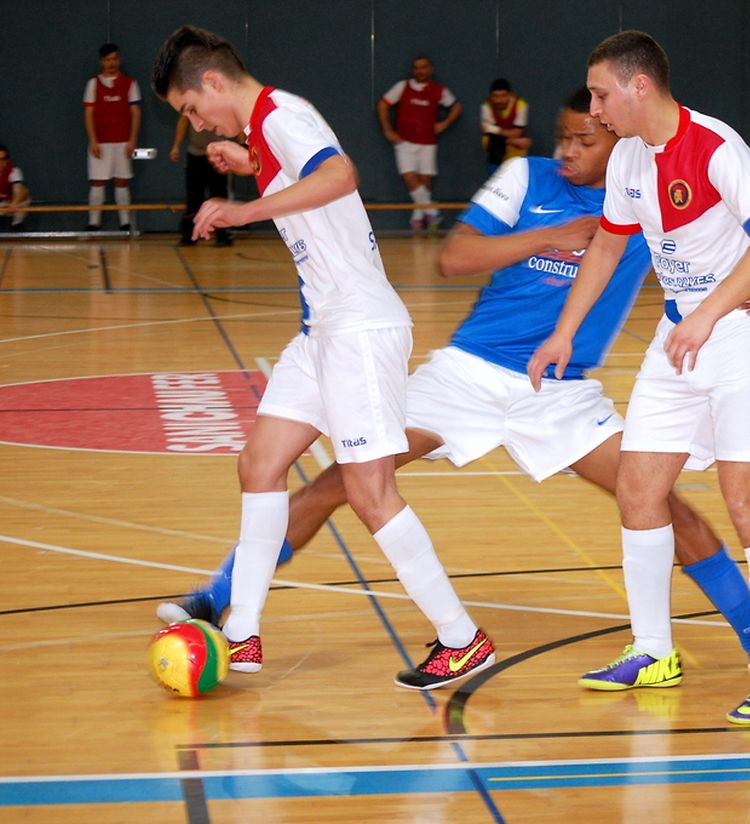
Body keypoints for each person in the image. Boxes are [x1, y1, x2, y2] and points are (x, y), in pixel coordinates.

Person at [156, 87, 750, 688]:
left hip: (560, 393)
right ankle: (218, 598)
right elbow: (454, 258)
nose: (568, 151)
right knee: (344, 480)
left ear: (619, 138)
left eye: (584, 140)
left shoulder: (644, 188)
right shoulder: (525, 177)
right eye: (562, 137)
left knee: (658, 503)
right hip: (464, 376)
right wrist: (549, 234)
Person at [150, 25, 495, 689]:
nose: (195, 123)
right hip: (322, 332)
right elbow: (302, 176)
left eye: (192, 109)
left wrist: (244, 210)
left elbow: (339, 175)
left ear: (213, 82)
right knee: (260, 464)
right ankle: (243, 631)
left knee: (369, 491)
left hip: (359, 329)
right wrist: (248, 163)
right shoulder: (266, 130)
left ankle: (461, 639)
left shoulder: (281, 113)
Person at [527, 32, 750, 726]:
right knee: (638, 489)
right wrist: (564, 331)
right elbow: (608, 246)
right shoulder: (628, 156)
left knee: (746, 504)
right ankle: (654, 650)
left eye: (601, 95)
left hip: (738, 338)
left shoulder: (715, 145)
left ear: (639, 86)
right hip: (679, 334)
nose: (594, 110)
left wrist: (709, 314)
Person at [377, 56, 461, 231]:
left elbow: (456, 106)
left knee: (425, 181)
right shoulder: (402, 87)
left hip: (428, 143)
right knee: (409, 178)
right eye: (416, 68)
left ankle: (418, 217)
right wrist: (388, 130)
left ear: (430, 69)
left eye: (423, 67)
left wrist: (445, 123)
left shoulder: (438, 90)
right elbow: (383, 105)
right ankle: (433, 212)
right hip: (404, 142)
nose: (420, 71)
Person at [83, 43, 141, 232]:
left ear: (119, 60)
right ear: (101, 62)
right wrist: (93, 140)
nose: (111, 63)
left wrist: (132, 140)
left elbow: (136, 113)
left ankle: (125, 223)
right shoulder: (93, 84)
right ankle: (94, 223)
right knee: (97, 182)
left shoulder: (130, 83)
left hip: (123, 141)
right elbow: (88, 114)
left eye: (115, 59)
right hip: (100, 142)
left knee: (121, 181)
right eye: (108, 59)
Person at [169, 114, 232, 246]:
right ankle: (190, 235)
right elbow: (183, 121)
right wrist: (176, 146)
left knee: (219, 195)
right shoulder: (191, 107)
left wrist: (242, 145)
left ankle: (223, 233)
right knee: (194, 196)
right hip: (196, 154)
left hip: (218, 154)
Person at [480, 78, 531, 175]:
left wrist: (494, 130)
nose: (499, 100)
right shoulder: (486, 105)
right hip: (499, 149)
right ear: (491, 96)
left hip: (516, 151)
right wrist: (514, 141)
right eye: (495, 96)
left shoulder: (520, 105)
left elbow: (517, 133)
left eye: (503, 96)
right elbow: (492, 136)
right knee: (494, 145)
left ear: (510, 95)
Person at [0, 145, 31, 231]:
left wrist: (14, 203)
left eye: (2, 159)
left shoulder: (13, 171)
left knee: (24, 192)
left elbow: (18, 188)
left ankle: (17, 224)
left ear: (7, 161)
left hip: (8, 204)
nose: (0, 162)